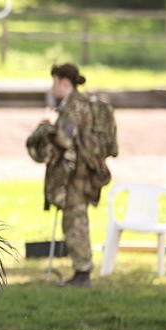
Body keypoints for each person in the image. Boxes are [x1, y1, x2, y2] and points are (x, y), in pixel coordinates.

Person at [26, 63, 117, 288]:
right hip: (83, 172)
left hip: (76, 174)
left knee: (75, 221)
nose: (52, 88)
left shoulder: (73, 106)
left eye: (54, 82)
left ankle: (82, 272)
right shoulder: (81, 103)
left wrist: (46, 126)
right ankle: (81, 270)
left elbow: (65, 139)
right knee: (76, 219)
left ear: (64, 82)